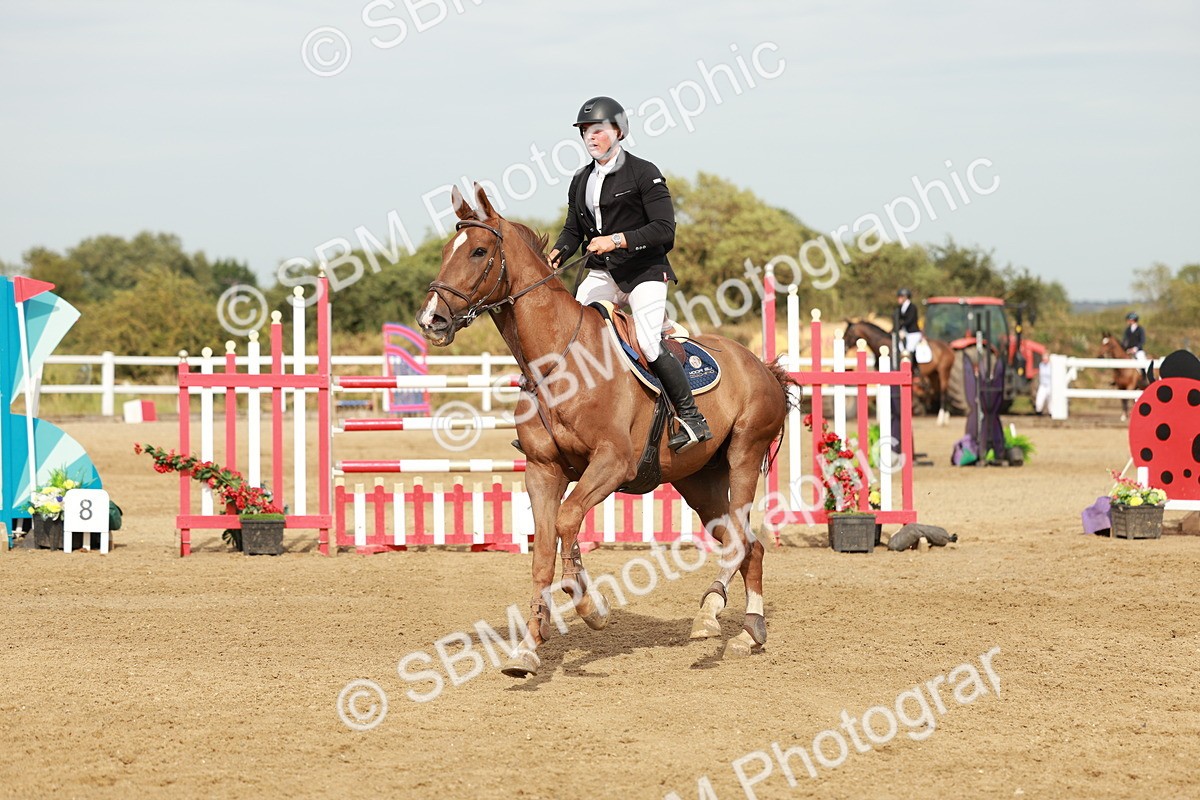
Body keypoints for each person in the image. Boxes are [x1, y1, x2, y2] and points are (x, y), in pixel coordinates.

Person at [547, 96, 711, 452]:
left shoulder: (644, 172)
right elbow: (573, 230)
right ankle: (557, 419)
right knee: (569, 335)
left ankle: (692, 416)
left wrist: (617, 240)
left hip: (645, 272)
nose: (591, 137)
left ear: (618, 132)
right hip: (602, 274)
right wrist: (557, 254)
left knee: (649, 342)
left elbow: (665, 229)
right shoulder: (580, 180)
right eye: (585, 131)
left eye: (598, 130)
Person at [894, 288, 922, 354]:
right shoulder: (900, 308)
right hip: (905, 332)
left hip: (913, 333)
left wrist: (900, 327)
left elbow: (909, 320)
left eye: (900, 297)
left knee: (909, 350)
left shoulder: (912, 307)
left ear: (905, 297)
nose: (898, 299)